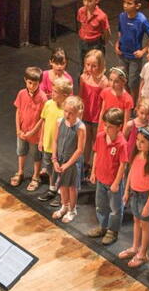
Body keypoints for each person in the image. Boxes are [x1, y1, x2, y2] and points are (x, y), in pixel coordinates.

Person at [120, 126, 149, 268]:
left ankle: (143, 253)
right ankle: (135, 247)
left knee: (145, 224)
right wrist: (126, 190)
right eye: (137, 140)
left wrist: (148, 205)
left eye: (142, 141)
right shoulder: (137, 155)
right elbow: (131, 172)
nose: (138, 143)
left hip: (146, 197)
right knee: (136, 220)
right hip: (135, 194)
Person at [88, 108, 129, 245]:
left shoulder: (121, 143)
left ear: (119, 127)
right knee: (100, 205)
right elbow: (96, 153)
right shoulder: (100, 136)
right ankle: (103, 226)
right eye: (105, 125)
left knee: (115, 208)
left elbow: (123, 165)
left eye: (110, 127)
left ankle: (113, 230)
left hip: (113, 183)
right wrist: (93, 172)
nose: (106, 128)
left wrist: (117, 183)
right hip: (101, 178)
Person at [51, 96, 87, 224]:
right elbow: (55, 140)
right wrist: (54, 159)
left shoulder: (80, 127)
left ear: (78, 112)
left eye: (71, 113)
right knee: (63, 185)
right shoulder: (59, 122)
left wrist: (67, 164)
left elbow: (80, 150)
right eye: (65, 111)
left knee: (72, 187)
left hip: (72, 162)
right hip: (60, 160)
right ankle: (64, 206)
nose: (67, 115)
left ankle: (72, 209)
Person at [76, 48, 109, 181]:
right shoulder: (83, 78)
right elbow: (81, 95)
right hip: (86, 114)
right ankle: (86, 163)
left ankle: (95, 166)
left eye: (94, 66)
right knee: (86, 139)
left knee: (97, 141)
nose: (90, 68)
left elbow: (104, 102)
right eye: (88, 65)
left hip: (97, 116)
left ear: (100, 66)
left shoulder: (104, 82)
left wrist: (102, 118)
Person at [37, 77, 72, 200]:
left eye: (56, 92)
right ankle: (52, 188)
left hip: (61, 147)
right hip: (48, 144)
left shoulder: (67, 110)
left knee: (60, 168)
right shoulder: (48, 104)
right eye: (52, 90)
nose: (52, 93)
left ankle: (61, 191)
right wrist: (41, 140)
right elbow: (44, 122)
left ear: (65, 95)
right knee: (50, 167)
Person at [11, 66, 45, 188]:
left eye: (35, 84)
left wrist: (32, 132)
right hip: (22, 132)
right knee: (21, 152)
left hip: (35, 134)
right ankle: (20, 171)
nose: (32, 86)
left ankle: (36, 176)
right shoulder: (21, 93)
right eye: (30, 83)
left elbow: (43, 118)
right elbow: (18, 111)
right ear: (25, 80)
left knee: (36, 155)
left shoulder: (42, 97)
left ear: (39, 83)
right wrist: (18, 129)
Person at [115, 0, 149, 100]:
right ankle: (125, 100)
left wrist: (143, 51)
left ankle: (133, 104)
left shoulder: (141, 20)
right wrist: (117, 44)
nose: (125, 6)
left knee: (133, 82)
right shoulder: (121, 16)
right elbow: (120, 31)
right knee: (122, 78)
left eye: (129, 3)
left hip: (134, 57)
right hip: (122, 54)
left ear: (137, 6)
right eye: (124, 2)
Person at [76, 0, 110, 70]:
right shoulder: (81, 11)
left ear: (97, 1)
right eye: (84, 0)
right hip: (82, 42)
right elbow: (81, 24)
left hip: (95, 44)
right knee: (82, 66)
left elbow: (107, 31)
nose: (86, 3)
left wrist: (104, 42)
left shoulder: (101, 16)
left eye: (89, 1)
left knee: (96, 68)